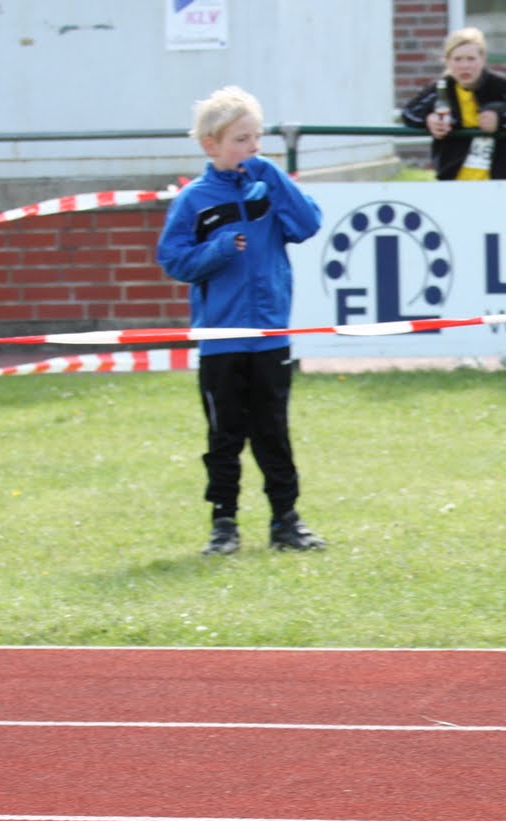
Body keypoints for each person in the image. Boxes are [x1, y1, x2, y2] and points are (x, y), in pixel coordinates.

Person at [157, 86, 326, 557]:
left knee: (274, 432)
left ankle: (286, 521)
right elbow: (173, 260)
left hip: (270, 335)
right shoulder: (193, 200)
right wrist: (217, 249)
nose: (252, 147)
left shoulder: (267, 187)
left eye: (257, 138)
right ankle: (223, 524)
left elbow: (307, 224)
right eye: (241, 139)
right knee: (224, 435)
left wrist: (273, 175)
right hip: (222, 339)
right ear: (211, 145)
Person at [398, 27, 506, 181]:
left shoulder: (505, 86)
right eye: (457, 59)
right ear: (447, 61)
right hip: (453, 179)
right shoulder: (441, 88)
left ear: (482, 60)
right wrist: (429, 120)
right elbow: (409, 113)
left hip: (502, 179)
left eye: (471, 59)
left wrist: (500, 119)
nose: (464, 66)